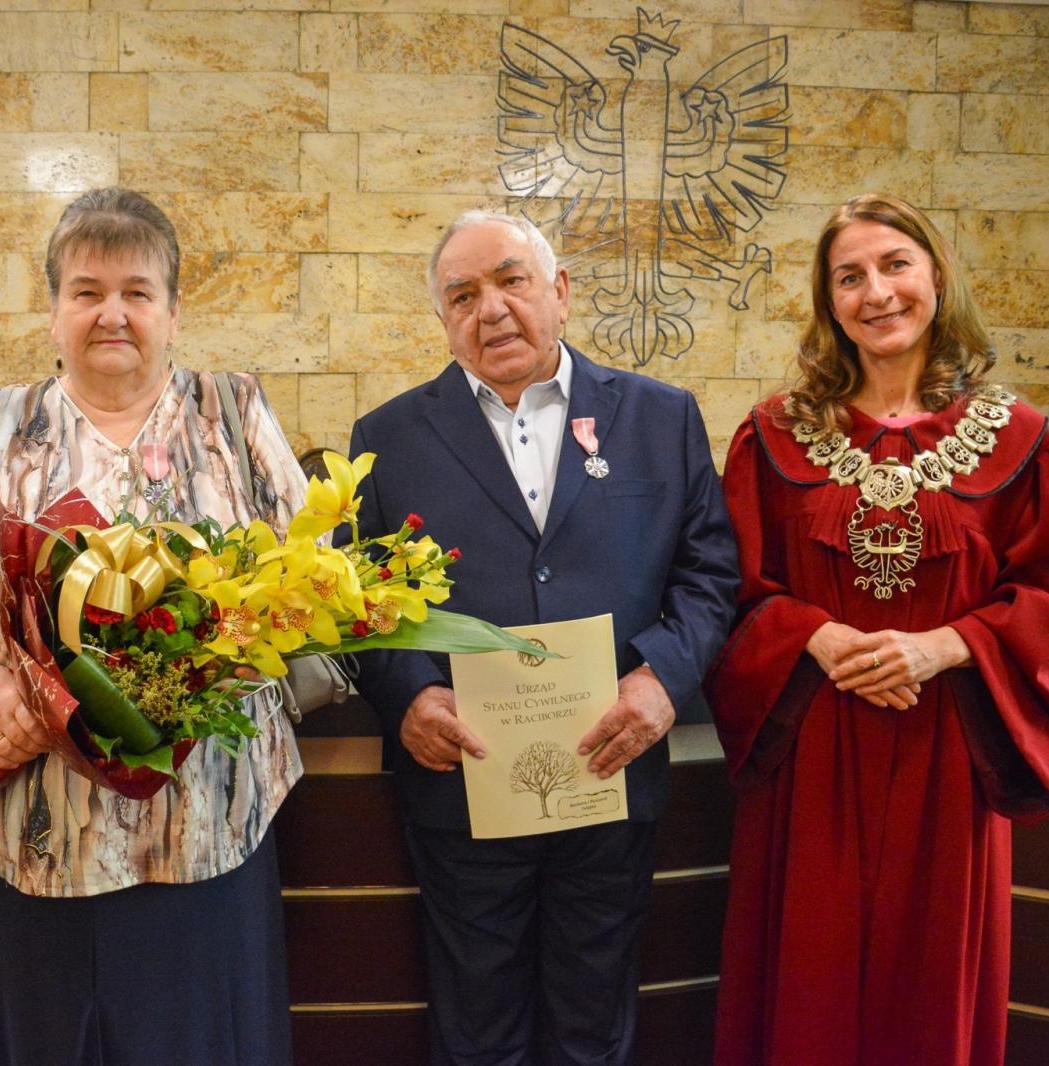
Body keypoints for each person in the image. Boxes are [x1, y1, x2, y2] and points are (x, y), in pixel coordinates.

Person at [0, 187, 304, 1064]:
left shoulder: (234, 416)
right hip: (24, 836)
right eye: (86, 290)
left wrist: (212, 667)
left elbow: (313, 590)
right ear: (53, 309)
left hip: (204, 834)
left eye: (138, 292)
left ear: (174, 313)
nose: (113, 313)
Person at [707, 193, 1049, 1066]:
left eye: (895, 266)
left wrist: (945, 645)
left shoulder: (1024, 439)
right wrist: (813, 635)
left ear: (936, 278)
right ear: (828, 303)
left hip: (948, 751)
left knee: (931, 984)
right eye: (849, 277)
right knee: (804, 974)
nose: (876, 292)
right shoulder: (773, 435)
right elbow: (724, 581)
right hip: (811, 741)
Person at [345, 210, 740, 1064]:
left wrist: (662, 680)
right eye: (462, 295)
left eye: (510, 280)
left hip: (611, 774)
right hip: (466, 789)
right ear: (443, 321)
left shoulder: (660, 419)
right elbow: (357, 603)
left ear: (559, 292)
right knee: (477, 1027)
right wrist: (407, 690)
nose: (490, 309)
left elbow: (711, 577)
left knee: (593, 1022)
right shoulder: (387, 441)